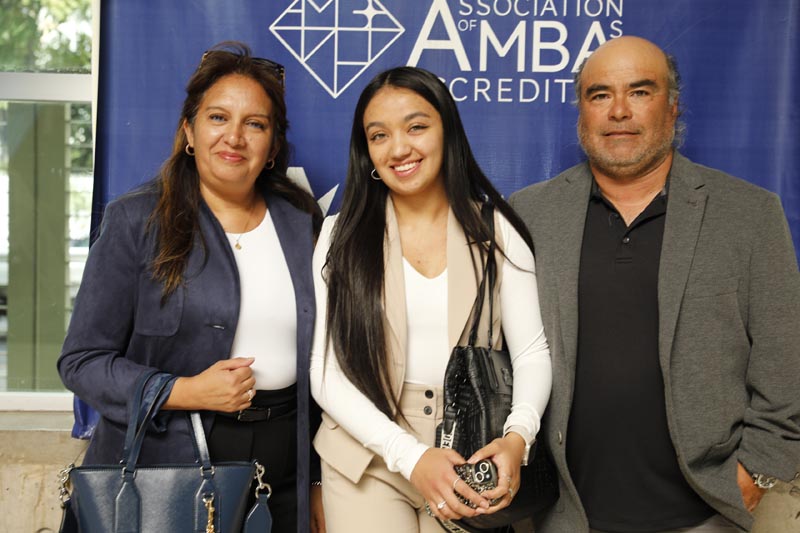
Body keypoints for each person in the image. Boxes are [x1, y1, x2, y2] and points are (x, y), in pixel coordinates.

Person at [509, 35, 800, 533]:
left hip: (709, 513)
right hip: (566, 515)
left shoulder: (749, 214)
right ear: (582, 111)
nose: (619, 111)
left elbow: (786, 362)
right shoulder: (530, 214)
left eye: (640, 91)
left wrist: (754, 473)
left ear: (673, 106)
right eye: (600, 94)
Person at [57, 42, 326, 533]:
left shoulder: (301, 221)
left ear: (272, 146)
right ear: (189, 131)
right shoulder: (135, 220)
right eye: (218, 118)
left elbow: (324, 361)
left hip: (284, 466)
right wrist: (183, 390)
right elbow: (82, 361)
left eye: (255, 124)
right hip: (168, 467)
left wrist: (318, 479)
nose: (234, 137)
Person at [309, 66, 552, 532]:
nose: (399, 148)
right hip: (365, 452)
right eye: (379, 135)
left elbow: (531, 352)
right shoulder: (340, 236)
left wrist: (518, 436)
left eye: (416, 127)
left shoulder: (497, 230)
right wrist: (410, 455)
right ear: (366, 151)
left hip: (471, 449)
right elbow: (325, 372)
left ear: (448, 132)